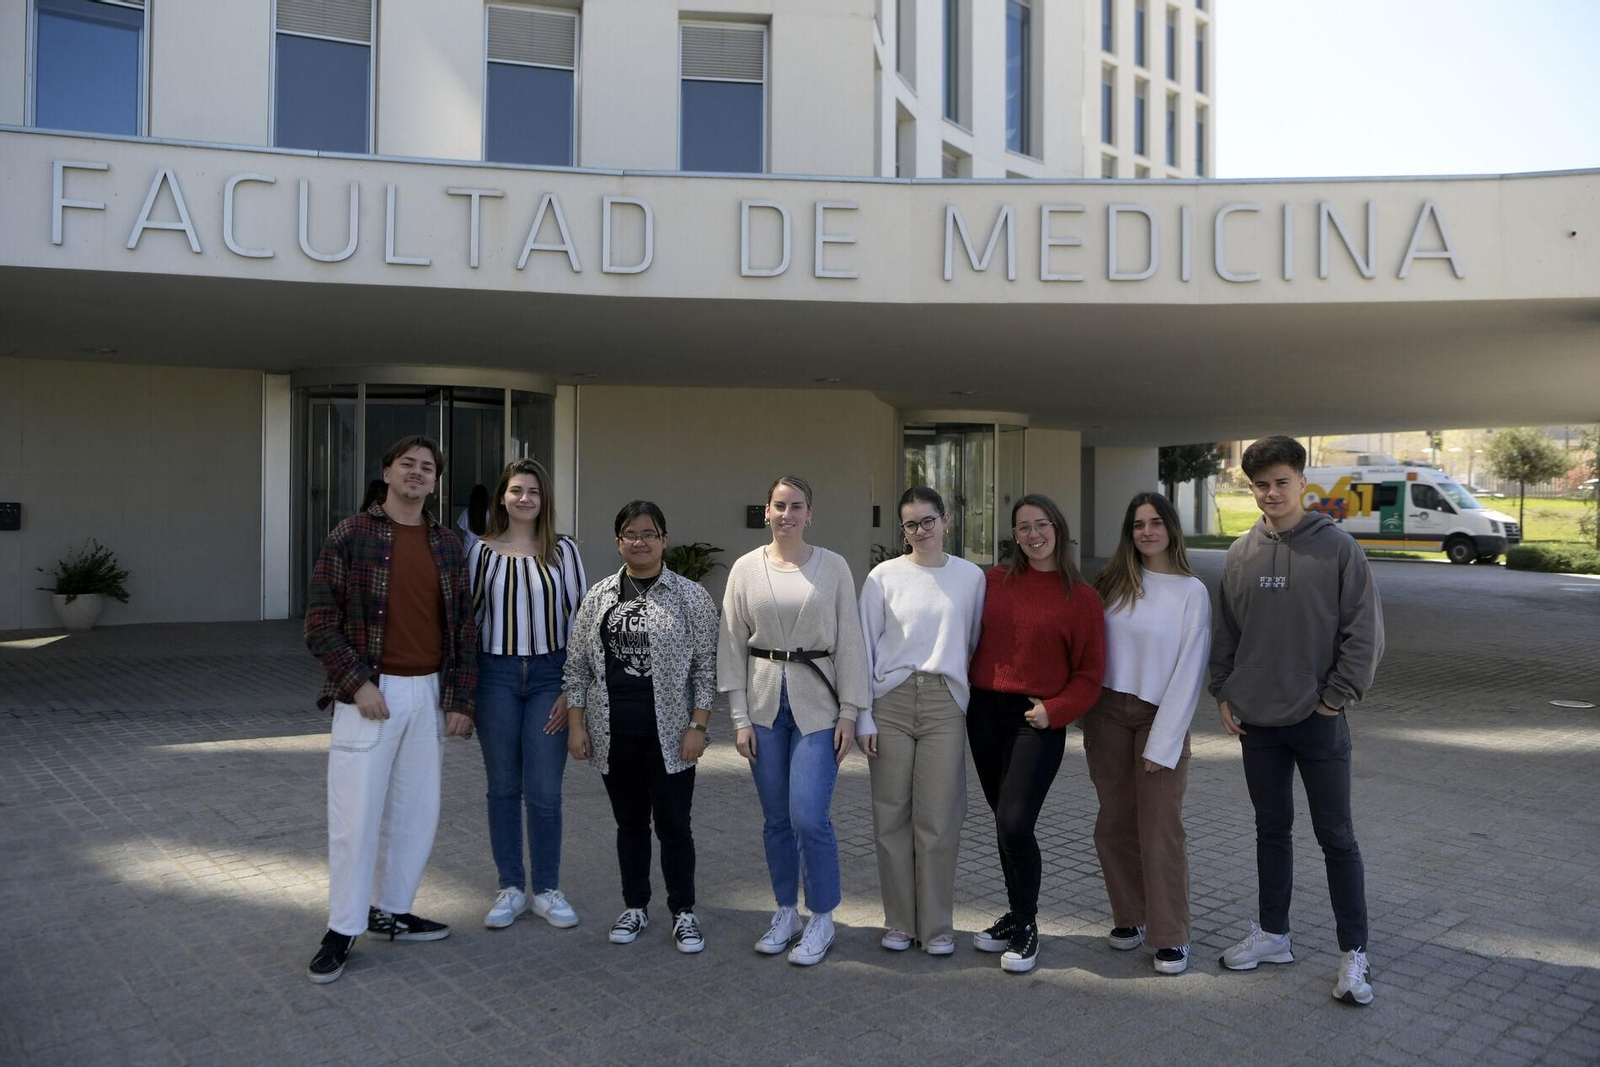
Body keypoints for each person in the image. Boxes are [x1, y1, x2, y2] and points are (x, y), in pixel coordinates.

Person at [1211, 435, 1385, 1006]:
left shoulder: (1338, 550)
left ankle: (1353, 954)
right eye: (1260, 485)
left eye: (1281, 482)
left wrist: (1333, 700)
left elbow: (1364, 634)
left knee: (1336, 836)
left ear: (1302, 483)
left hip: (1318, 720)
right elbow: (1227, 634)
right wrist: (1225, 692)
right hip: (1257, 722)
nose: (1271, 493)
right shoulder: (1240, 553)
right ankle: (1273, 935)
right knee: (1271, 830)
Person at [303, 435, 477, 985]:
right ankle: (342, 927)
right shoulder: (352, 535)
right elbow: (318, 622)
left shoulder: (446, 543)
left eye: (427, 468)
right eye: (408, 464)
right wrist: (357, 684)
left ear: (435, 481)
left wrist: (459, 701)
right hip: (369, 698)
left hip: (426, 695)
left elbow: (464, 632)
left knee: (416, 814)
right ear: (386, 471)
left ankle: (394, 911)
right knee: (355, 819)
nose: (417, 473)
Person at [717, 475, 869, 967]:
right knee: (776, 819)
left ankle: (821, 915)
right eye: (779, 506)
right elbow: (731, 645)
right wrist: (739, 717)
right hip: (763, 707)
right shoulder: (744, 569)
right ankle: (786, 910)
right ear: (766, 512)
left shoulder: (835, 568)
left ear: (810, 514)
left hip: (818, 707)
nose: (787, 514)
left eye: (796, 506)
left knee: (808, 814)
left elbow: (850, 643)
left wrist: (850, 712)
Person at [564, 501, 719, 953]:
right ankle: (634, 905)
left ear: (664, 539)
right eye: (630, 534)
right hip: (615, 732)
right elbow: (577, 669)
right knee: (629, 824)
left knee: (674, 825)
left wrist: (698, 725)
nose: (640, 541)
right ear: (619, 542)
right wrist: (577, 726)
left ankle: (684, 912)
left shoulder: (690, 596)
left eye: (649, 533)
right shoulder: (598, 597)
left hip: (671, 734)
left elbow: (705, 670)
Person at [967, 493, 1104, 974]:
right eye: (1023, 527)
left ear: (1059, 529)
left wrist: (1057, 711)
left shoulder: (1081, 598)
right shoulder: (990, 582)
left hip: (1038, 718)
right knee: (1003, 819)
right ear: (1014, 535)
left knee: (1015, 823)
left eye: (1041, 524)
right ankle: (1014, 913)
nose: (1033, 535)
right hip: (984, 713)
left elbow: (1090, 674)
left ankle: (1027, 924)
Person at [1084, 492, 1211, 975]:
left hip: (1159, 716)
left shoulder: (1191, 592)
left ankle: (1170, 934)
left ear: (1171, 529)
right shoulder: (1113, 583)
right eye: (1138, 524)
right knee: (1113, 822)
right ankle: (1129, 917)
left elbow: (1189, 672)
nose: (1147, 532)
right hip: (1107, 714)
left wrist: (1165, 742)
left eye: (1156, 522)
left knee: (1160, 827)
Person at [856, 486, 985, 956]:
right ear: (902, 529)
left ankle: (935, 926)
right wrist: (863, 715)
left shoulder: (971, 577)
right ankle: (898, 922)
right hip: (889, 700)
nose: (920, 531)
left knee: (938, 818)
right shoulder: (882, 577)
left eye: (928, 521)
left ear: (946, 520)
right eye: (910, 524)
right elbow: (864, 648)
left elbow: (972, 643)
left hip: (943, 703)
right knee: (891, 814)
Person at [466, 458, 587, 931]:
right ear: (502, 496)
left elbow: (582, 621)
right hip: (494, 677)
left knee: (543, 789)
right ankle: (511, 887)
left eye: (533, 492)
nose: (524, 499)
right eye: (516, 490)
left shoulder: (564, 552)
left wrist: (570, 689)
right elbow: (467, 622)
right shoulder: (479, 552)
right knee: (502, 787)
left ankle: (548, 890)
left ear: (544, 500)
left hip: (548, 676)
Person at [457, 483, 490, 553]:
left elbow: (461, 535)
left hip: (468, 549)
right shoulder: (490, 513)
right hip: (486, 550)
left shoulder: (466, 513)